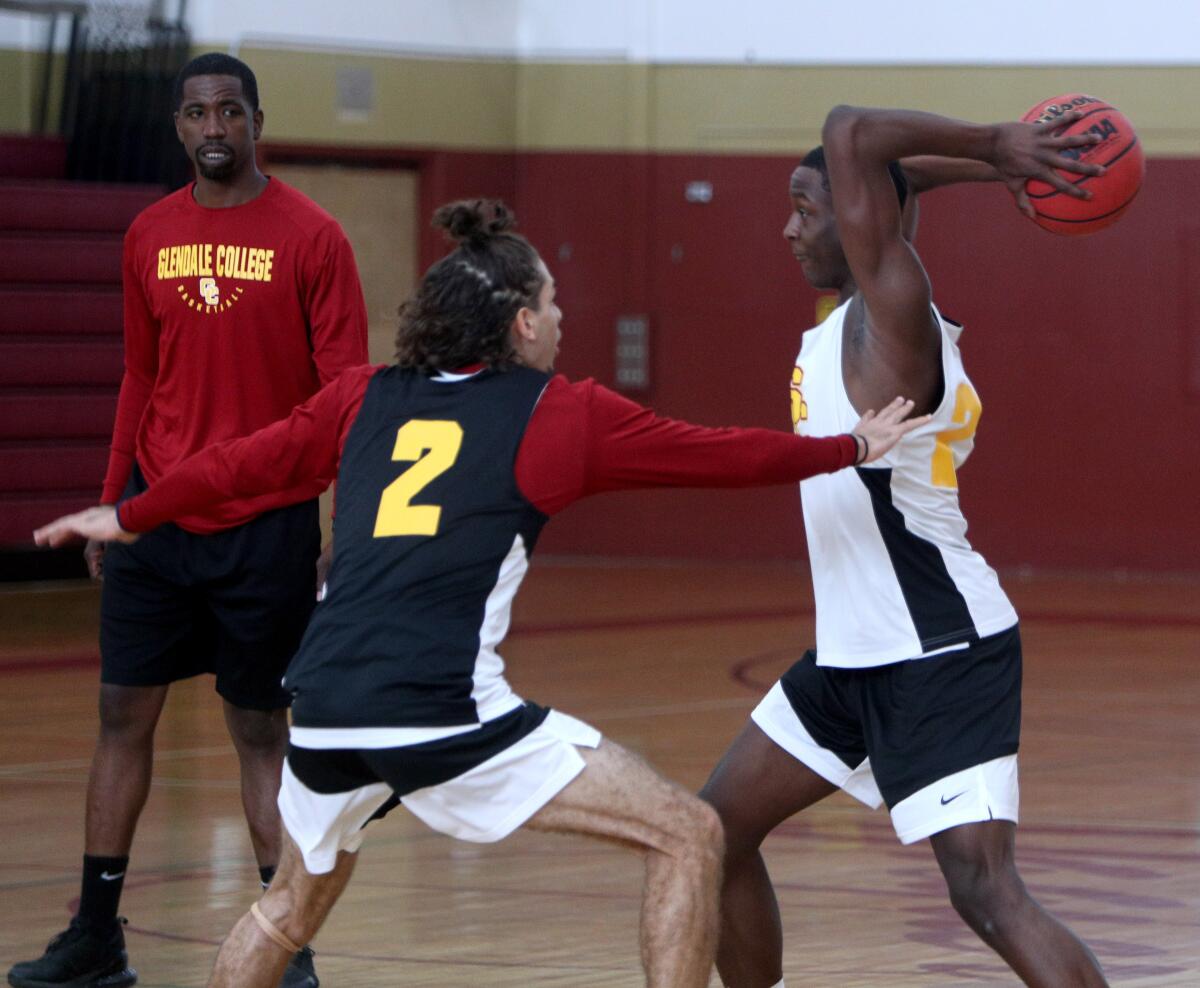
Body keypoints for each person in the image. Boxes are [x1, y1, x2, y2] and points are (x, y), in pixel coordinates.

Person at [33, 199, 927, 988]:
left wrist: (134, 513)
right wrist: (847, 447)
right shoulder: (558, 414)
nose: (562, 314)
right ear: (519, 325)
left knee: (286, 909)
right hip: (439, 713)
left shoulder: (361, 397)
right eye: (550, 301)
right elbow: (718, 454)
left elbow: (236, 465)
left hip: (325, 705)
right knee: (689, 834)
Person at [698, 105, 1113, 988]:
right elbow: (891, 174)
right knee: (715, 832)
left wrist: (1002, 144)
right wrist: (991, 172)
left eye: (807, 207)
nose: (789, 226)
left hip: (938, 650)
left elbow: (850, 131)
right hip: (853, 657)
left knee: (985, 891)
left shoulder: (893, 312)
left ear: (855, 223)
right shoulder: (862, 304)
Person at [7, 53, 368, 988]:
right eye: (199, 113)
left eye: (231, 112)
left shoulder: (315, 236)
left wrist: (347, 521)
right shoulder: (146, 233)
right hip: (158, 520)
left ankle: (285, 946)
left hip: (268, 525)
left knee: (260, 733)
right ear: (178, 127)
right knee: (121, 717)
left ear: (257, 122)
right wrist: (112, 502)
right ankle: (95, 937)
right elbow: (140, 374)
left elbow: (348, 398)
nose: (215, 128)